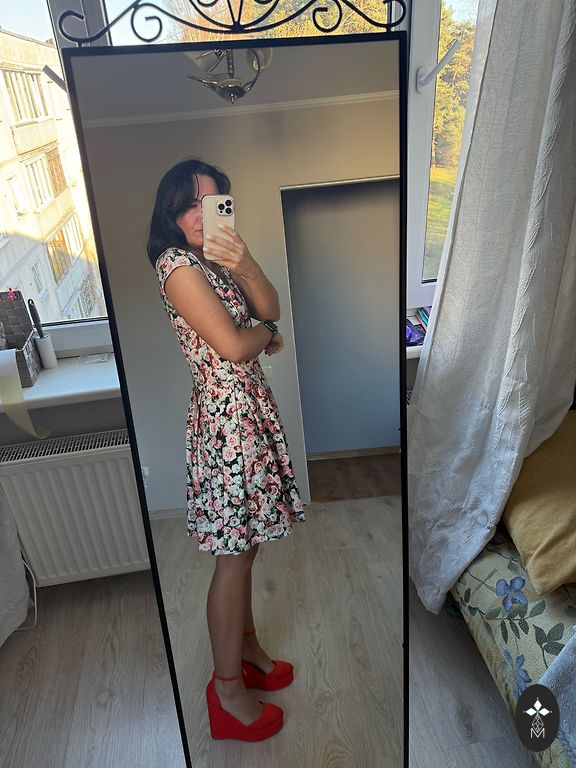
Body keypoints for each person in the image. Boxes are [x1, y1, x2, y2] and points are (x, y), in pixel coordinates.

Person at [147, 158, 306, 742]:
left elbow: (270, 308)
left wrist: (248, 265)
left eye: (213, 203)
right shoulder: (175, 265)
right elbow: (238, 346)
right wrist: (267, 336)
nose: (201, 214)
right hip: (227, 423)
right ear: (171, 212)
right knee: (233, 556)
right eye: (191, 203)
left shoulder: (217, 262)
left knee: (249, 544)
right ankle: (227, 691)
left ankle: (248, 649)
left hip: (247, 414)